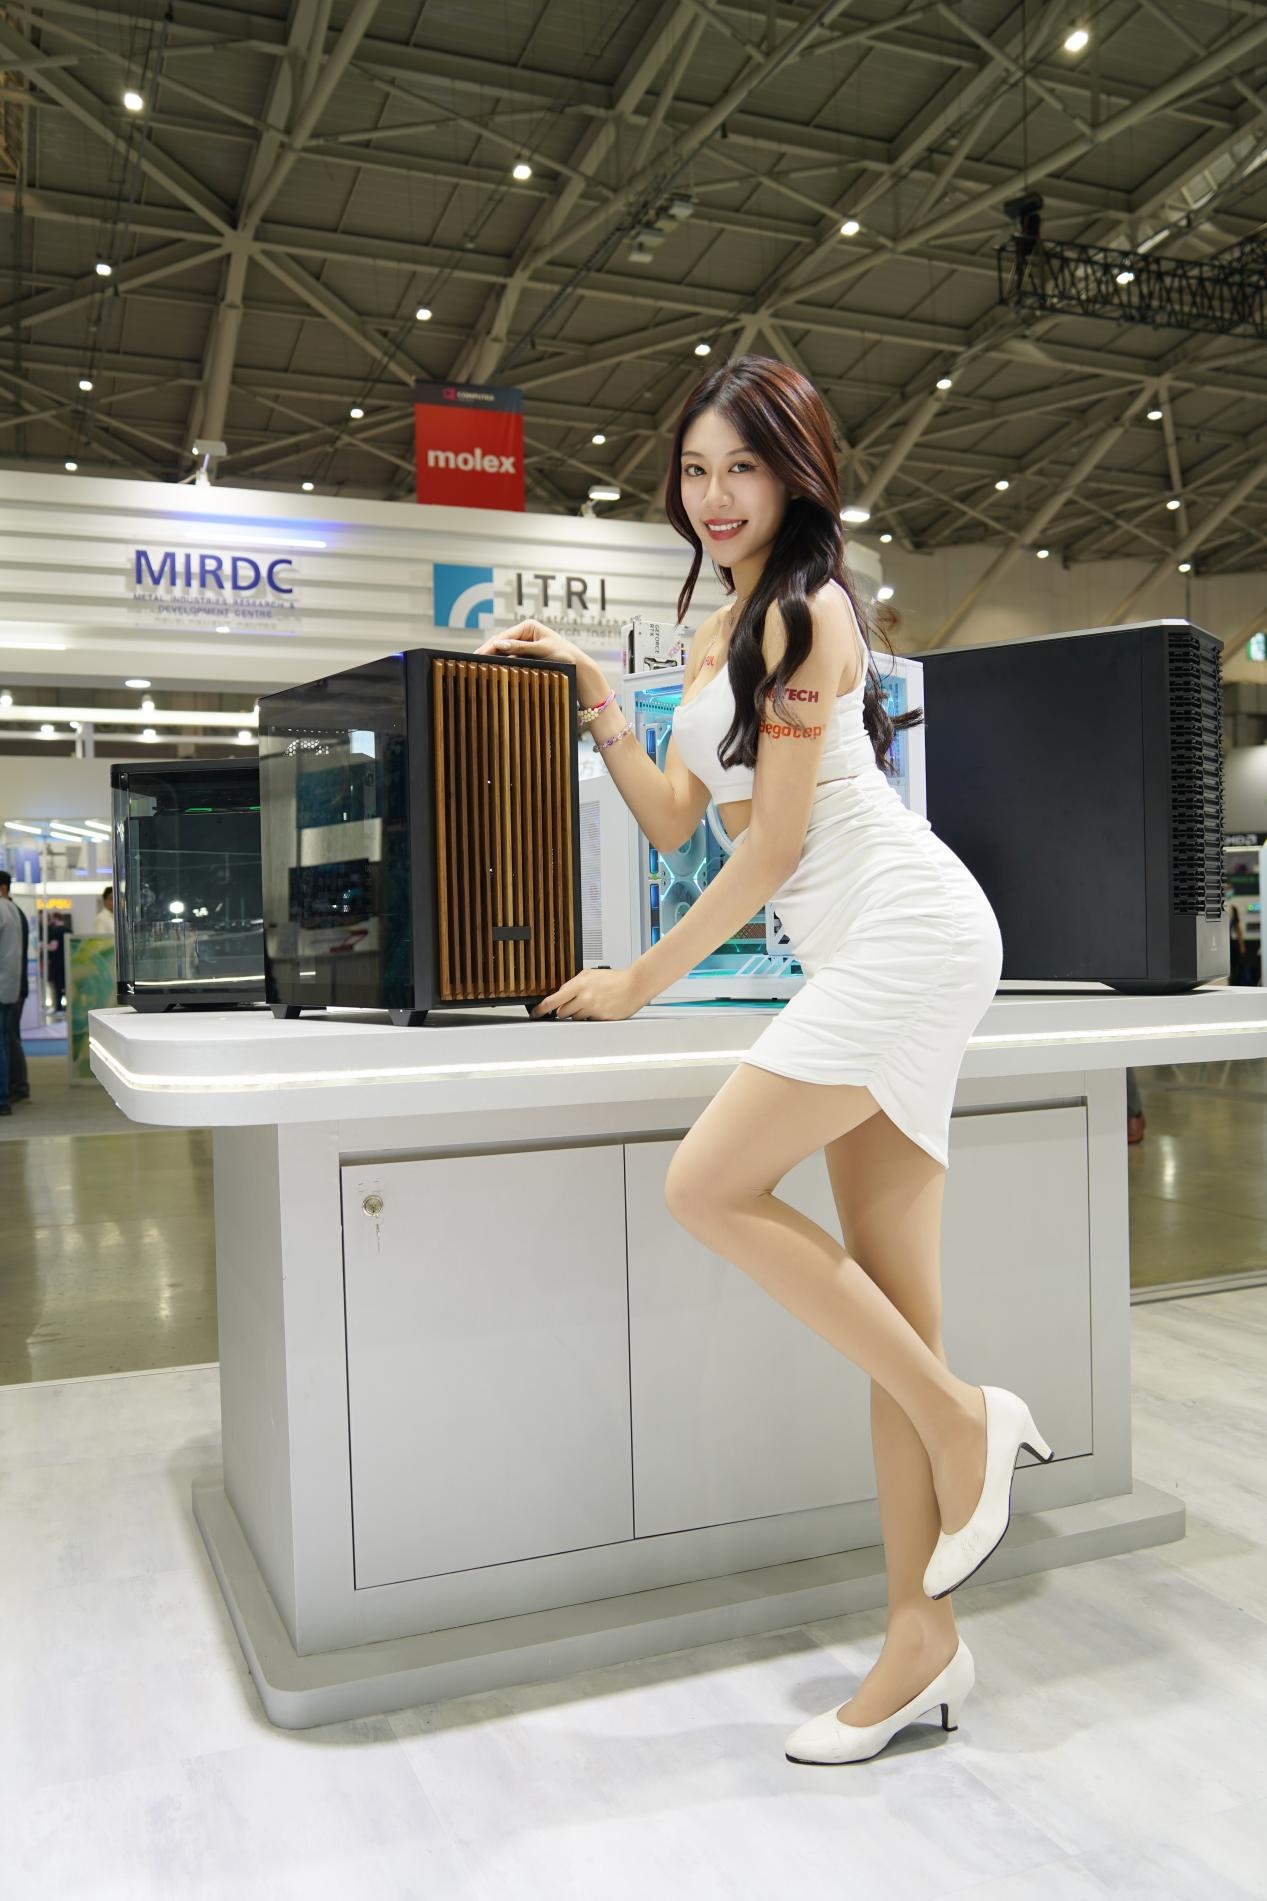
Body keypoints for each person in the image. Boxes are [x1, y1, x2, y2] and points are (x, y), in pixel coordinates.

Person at [476, 355, 1051, 1768]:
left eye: (741, 465)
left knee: (707, 1185)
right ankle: (919, 1642)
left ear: (796, 474)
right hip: (866, 949)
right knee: (893, 1309)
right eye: (694, 468)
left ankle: (964, 1420)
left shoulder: (804, 613)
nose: (714, 494)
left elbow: (778, 847)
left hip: (902, 933)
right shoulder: (719, 626)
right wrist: (597, 697)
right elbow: (681, 818)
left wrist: (641, 980)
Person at [0, 871, 29, 1103]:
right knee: (9, 1036)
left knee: (8, 1037)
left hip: (10, 986)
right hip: (13, 984)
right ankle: (15, 1087)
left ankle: (15, 1087)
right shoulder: (15, 911)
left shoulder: (8, 912)